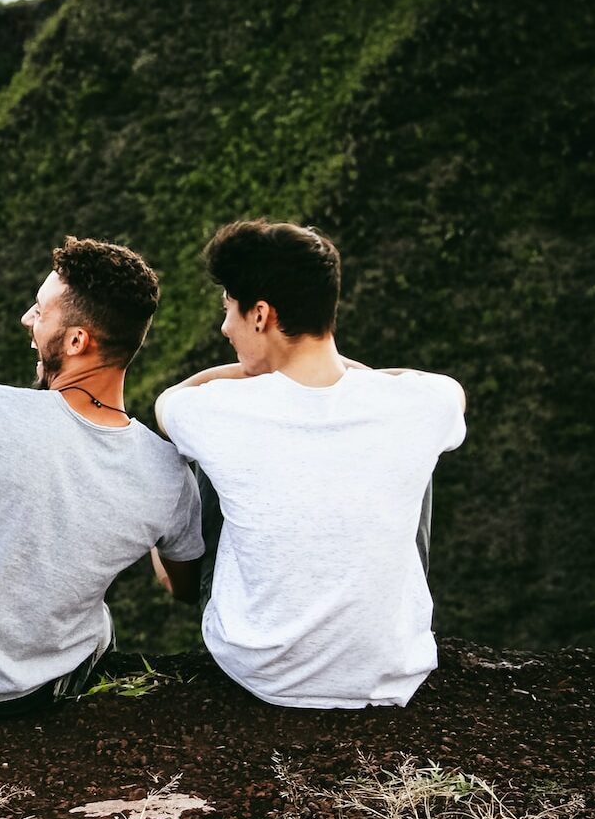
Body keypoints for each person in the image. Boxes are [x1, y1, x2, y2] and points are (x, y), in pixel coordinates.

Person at [0, 237, 205, 717]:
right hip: (32, 697)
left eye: (40, 311)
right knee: (100, 622)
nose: (28, 319)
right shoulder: (169, 474)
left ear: (76, 341)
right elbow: (183, 587)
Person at [155, 220, 466, 709]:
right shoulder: (422, 404)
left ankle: (186, 590)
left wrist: (250, 372)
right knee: (413, 453)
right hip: (389, 670)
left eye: (229, 311)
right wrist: (349, 375)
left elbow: (170, 402)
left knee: (203, 460)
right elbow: (446, 390)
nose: (224, 328)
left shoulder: (214, 409)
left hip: (260, 668)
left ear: (260, 314)